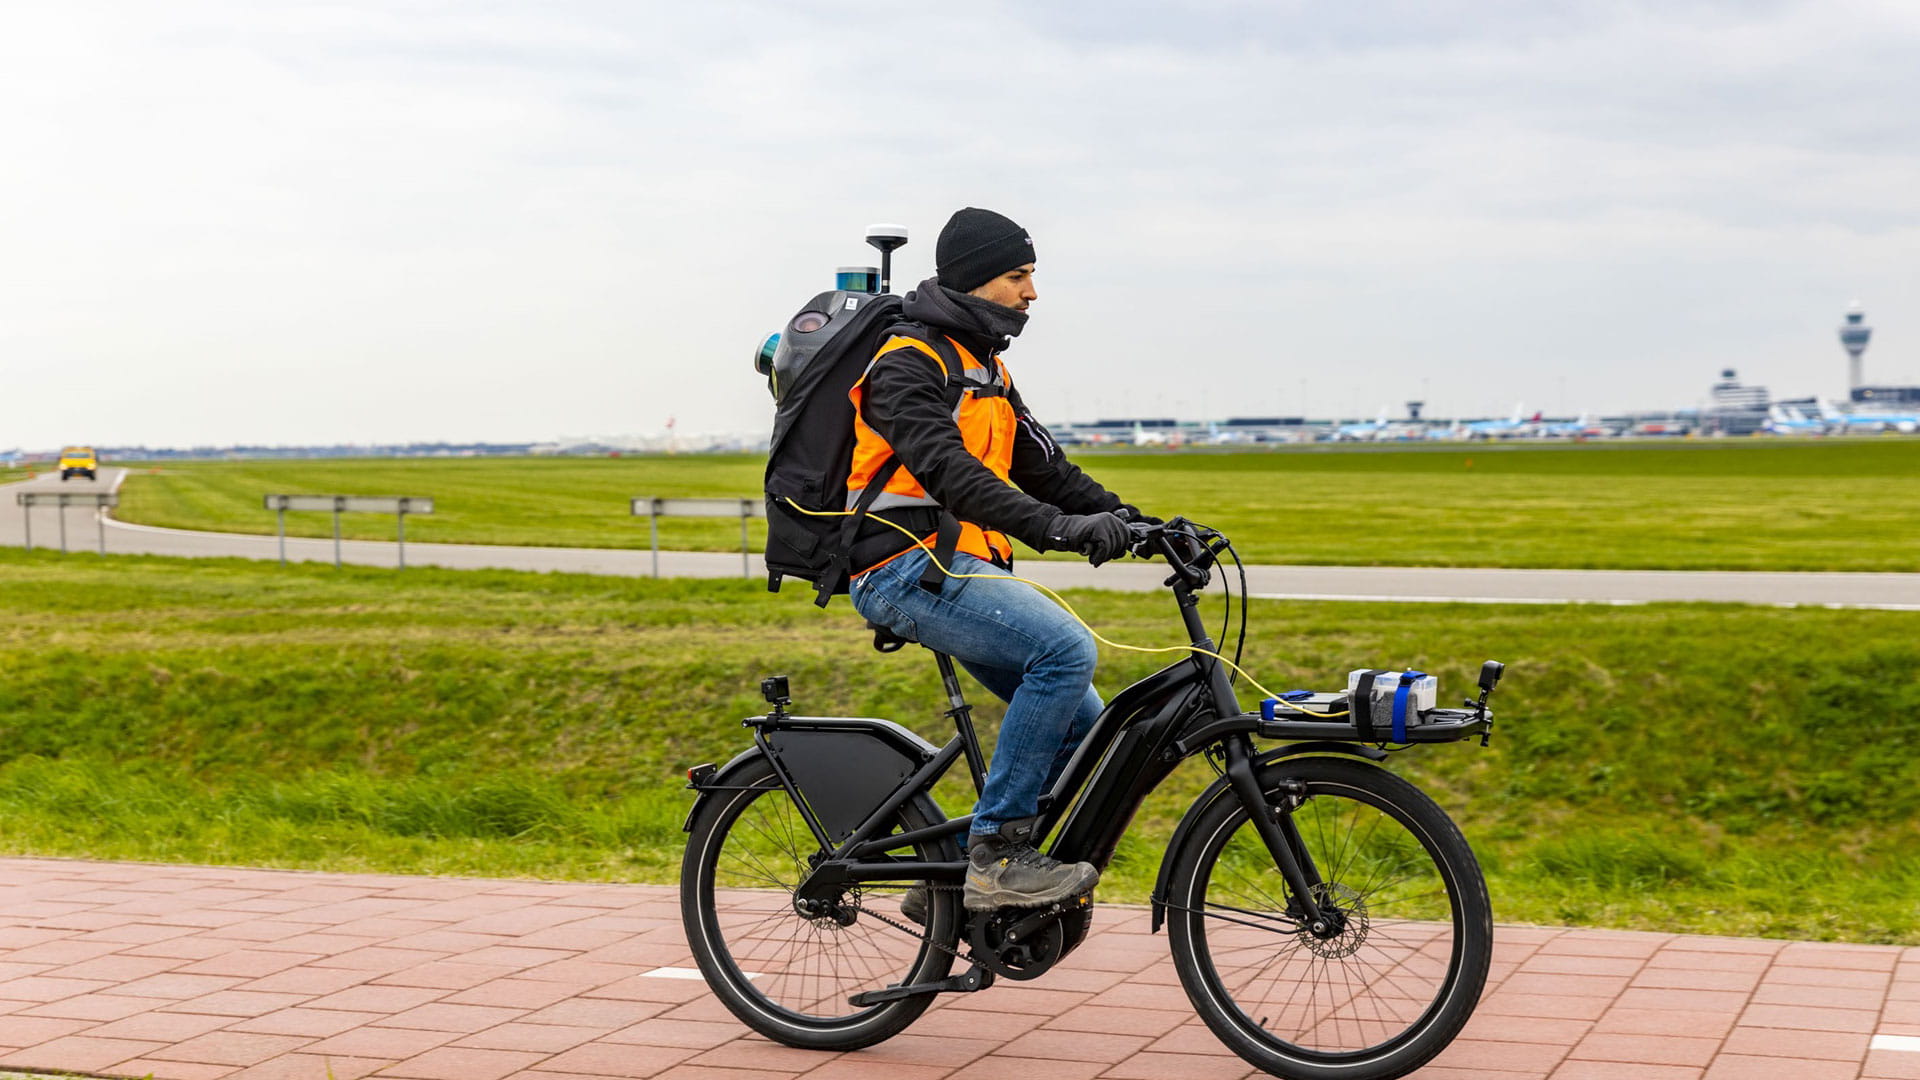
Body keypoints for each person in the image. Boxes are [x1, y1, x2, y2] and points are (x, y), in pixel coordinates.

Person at [846, 207, 1152, 913]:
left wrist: (1140, 524)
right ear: (977, 279)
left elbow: (1045, 467)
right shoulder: (905, 363)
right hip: (901, 569)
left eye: (1031, 276)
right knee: (1065, 649)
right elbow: (955, 477)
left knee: (1088, 726)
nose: (1031, 293)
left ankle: (948, 882)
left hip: (958, 570)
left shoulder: (985, 367)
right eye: (1018, 276)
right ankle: (997, 855)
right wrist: (1061, 531)